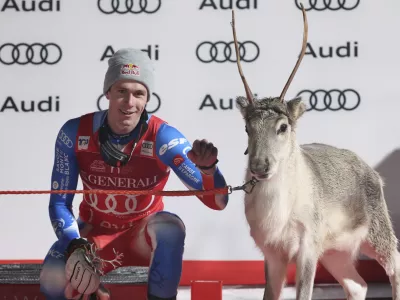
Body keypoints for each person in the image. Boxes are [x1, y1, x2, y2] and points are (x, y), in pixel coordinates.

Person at [39, 48, 230, 300]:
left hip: (141, 237)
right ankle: (97, 293)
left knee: (170, 227)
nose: (130, 103)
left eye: (139, 94)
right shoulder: (74, 132)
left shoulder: (163, 136)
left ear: (147, 98)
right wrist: (74, 243)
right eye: (122, 92)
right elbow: (59, 203)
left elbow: (218, 201)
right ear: (108, 92)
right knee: (51, 280)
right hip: (95, 237)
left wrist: (209, 169)